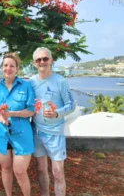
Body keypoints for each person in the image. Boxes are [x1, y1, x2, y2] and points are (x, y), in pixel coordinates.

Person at [30, 47, 76, 196]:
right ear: (34, 63)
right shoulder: (30, 82)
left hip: (55, 133)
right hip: (37, 132)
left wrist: (57, 113)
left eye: (45, 59)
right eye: (39, 60)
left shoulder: (60, 81)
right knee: (41, 169)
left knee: (57, 172)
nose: (42, 62)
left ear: (51, 60)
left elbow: (71, 105)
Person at [0, 52, 35, 196]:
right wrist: (0, 118)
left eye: (12, 66)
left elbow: (31, 110)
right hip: (1, 134)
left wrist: (13, 114)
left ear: (17, 69)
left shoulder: (26, 86)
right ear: (2, 67)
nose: (8, 68)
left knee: (20, 172)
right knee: (5, 168)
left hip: (21, 134)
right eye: (5, 65)